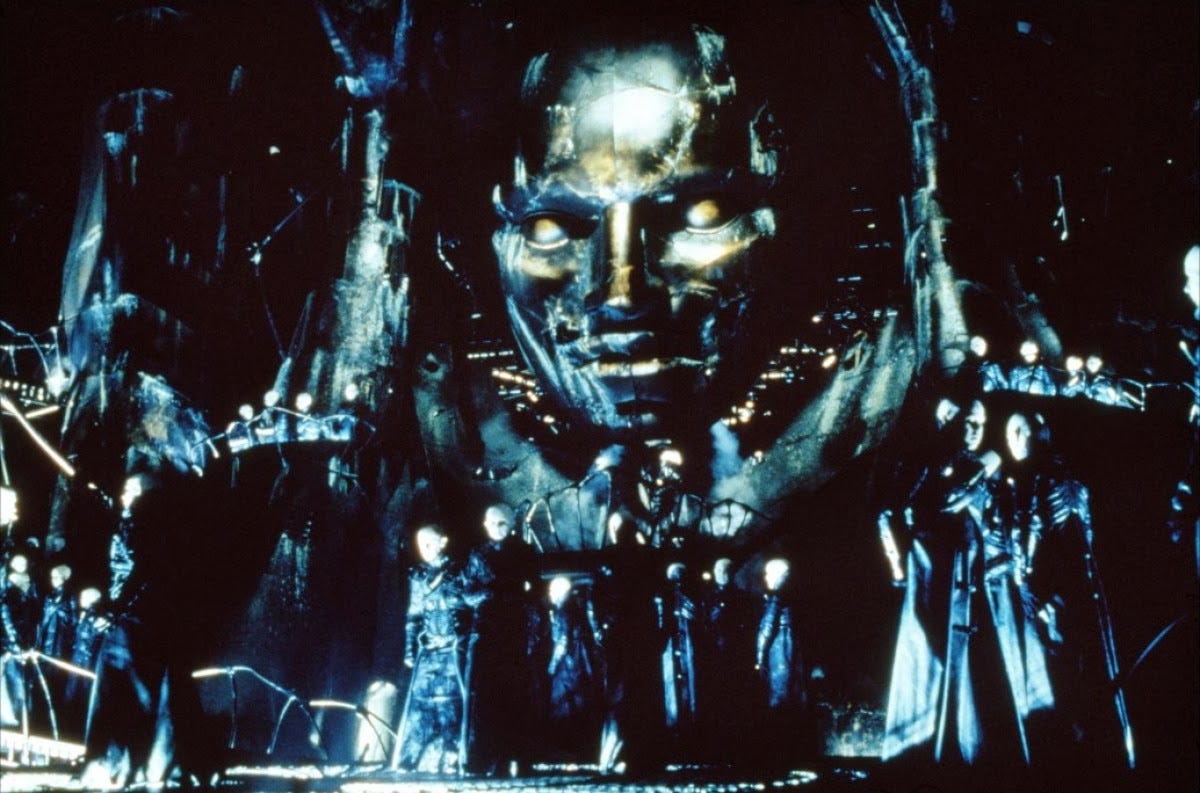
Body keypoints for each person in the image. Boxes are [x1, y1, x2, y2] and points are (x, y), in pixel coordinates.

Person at [881, 399, 1054, 766]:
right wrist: (985, 465)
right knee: (948, 674)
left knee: (991, 676)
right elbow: (928, 507)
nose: (976, 430)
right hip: (946, 590)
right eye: (968, 421)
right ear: (948, 419)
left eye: (981, 423)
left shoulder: (987, 473)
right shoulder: (932, 469)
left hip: (988, 588)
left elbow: (1001, 524)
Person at [393, 525, 478, 774]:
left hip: (454, 650)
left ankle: (453, 758)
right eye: (421, 544)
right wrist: (409, 649)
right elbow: (413, 614)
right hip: (428, 650)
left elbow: (473, 605)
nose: (425, 549)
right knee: (420, 702)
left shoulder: (461, 571)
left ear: (443, 541)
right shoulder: (418, 576)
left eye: (430, 543)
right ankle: (412, 758)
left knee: (454, 703)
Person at [463, 504, 539, 774]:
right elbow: (467, 593)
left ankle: (518, 757)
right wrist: (485, 595)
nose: (496, 529)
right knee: (486, 696)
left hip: (515, 632)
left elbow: (536, 593)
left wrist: (530, 623)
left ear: (512, 524)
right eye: (491, 523)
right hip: (487, 632)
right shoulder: (477, 555)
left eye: (502, 524)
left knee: (516, 693)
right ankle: (485, 757)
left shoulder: (525, 553)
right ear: (485, 524)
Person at [529, 575, 605, 764]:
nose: (550, 594)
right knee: (579, 706)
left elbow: (562, 642)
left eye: (552, 591)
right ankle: (582, 751)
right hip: (581, 665)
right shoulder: (576, 608)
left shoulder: (563, 611)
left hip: (568, 668)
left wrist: (552, 666)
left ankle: (567, 751)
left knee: (565, 706)